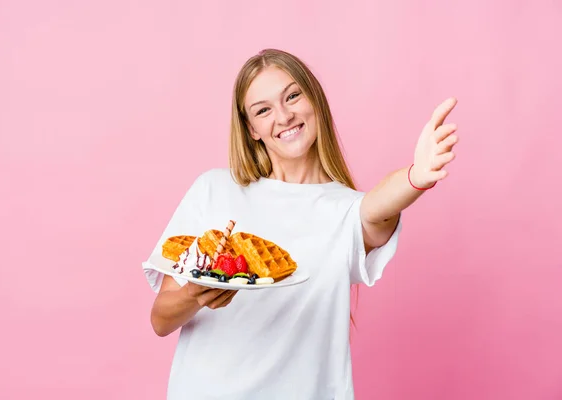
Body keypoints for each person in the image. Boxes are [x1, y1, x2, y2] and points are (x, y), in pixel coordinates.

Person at [141, 48, 458, 399]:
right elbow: (161, 319)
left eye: (292, 96)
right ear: (252, 129)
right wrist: (195, 295)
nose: (284, 116)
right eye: (263, 110)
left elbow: (376, 208)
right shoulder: (213, 189)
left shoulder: (346, 211)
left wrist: (416, 176)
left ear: (314, 99)